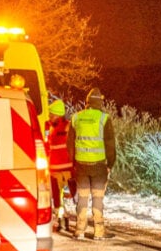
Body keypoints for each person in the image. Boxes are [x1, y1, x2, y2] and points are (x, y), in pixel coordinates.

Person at [67, 88, 116, 240]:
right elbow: (110, 144)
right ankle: (99, 232)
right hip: (99, 165)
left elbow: (70, 144)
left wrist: (73, 163)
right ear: (100, 102)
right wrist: (111, 163)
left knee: (82, 197)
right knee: (97, 198)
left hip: (81, 165)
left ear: (87, 103)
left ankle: (79, 230)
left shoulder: (76, 118)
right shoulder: (104, 118)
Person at [45, 99, 75, 232]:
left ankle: (75, 219)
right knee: (57, 199)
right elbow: (47, 145)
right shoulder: (49, 127)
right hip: (54, 170)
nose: (50, 117)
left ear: (59, 114)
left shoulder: (68, 126)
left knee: (73, 196)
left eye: (52, 115)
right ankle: (61, 219)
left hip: (68, 169)